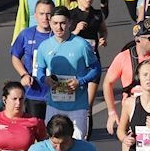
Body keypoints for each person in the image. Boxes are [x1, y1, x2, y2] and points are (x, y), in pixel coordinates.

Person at [32, 9, 101, 140]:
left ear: (69, 23)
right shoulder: (44, 46)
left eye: (63, 23)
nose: (59, 27)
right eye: (55, 23)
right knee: (53, 142)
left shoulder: (81, 45)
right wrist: (44, 79)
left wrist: (80, 81)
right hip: (54, 105)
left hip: (77, 105)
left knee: (78, 143)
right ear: (50, 23)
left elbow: (96, 68)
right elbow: (40, 70)